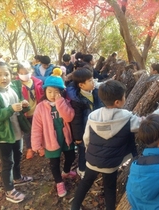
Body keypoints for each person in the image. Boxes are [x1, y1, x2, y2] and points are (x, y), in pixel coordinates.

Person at [71, 80, 159, 210]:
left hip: (92, 160)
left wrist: (89, 152)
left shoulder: (93, 116)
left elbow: (86, 138)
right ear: (118, 102)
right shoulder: (126, 117)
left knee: (85, 182)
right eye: (124, 96)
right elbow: (145, 123)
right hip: (111, 164)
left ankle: (74, 206)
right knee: (109, 187)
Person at [0, 62, 33, 204]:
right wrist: (11, 109)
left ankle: (17, 178)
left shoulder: (12, 88)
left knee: (18, 156)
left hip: (16, 130)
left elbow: (17, 108)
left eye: (6, 74)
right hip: (3, 135)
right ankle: (9, 190)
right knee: (8, 162)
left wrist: (23, 105)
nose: (4, 77)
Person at [31, 68, 77, 197]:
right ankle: (59, 182)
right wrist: (36, 144)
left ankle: (66, 171)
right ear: (45, 91)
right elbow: (36, 127)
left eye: (56, 92)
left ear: (61, 92)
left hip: (65, 137)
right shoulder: (41, 107)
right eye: (49, 91)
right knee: (54, 163)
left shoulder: (65, 102)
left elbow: (69, 117)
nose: (52, 94)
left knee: (71, 157)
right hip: (50, 139)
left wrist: (60, 102)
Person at [66, 68, 104, 179]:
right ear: (81, 85)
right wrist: (78, 137)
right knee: (83, 151)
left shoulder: (96, 92)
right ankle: (82, 169)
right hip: (83, 131)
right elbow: (76, 120)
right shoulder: (77, 100)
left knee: (94, 147)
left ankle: (94, 164)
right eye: (90, 81)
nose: (94, 82)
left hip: (96, 128)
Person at [17, 60, 44, 159]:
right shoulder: (16, 85)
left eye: (26, 73)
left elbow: (41, 95)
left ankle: (40, 146)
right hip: (26, 113)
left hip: (37, 112)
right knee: (28, 132)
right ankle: (30, 148)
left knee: (39, 129)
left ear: (31, 71)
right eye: (21, 73)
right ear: (18, 73)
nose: (24, 75)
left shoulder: (37, 82)